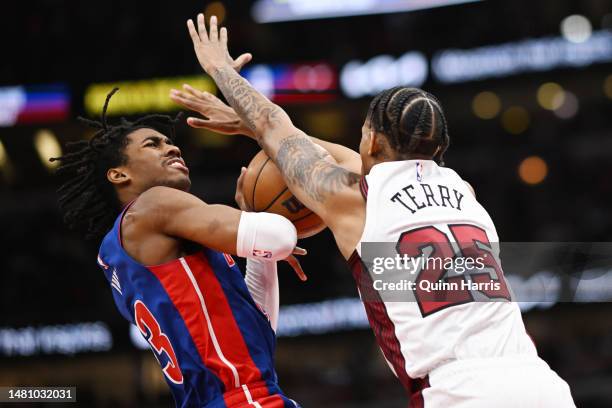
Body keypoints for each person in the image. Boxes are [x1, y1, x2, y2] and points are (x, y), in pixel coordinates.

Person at [173, 14, 576, 407]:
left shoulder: (353, 199)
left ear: (372, 142)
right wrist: (256, 128)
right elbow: (324, 152)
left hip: (460, 391)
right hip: (541, 382)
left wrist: (221, 70)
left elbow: (276, 125)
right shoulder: (463, 190)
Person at [51, 87, 306, 408]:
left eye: (169, 141)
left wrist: (262, 252)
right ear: (119, 174)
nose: (171, 147)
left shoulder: (117, 252)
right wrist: (277, 213)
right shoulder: (154, 203)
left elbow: (257, 330)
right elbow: (280, 237)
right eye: (152, 144)